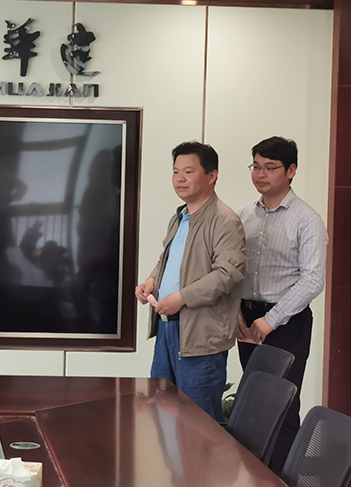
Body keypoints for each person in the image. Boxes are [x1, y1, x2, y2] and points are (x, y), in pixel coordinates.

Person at [135, 142, 246, 421]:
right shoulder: (180, 216)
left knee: (198, 422)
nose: (180, 179)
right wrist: (151, 280)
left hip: (200, 334)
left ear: (212, 176)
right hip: (167, 328)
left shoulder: (225, 220)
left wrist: (182, 297)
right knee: (162, 413)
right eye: (176, 172)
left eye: (188, 172)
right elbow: (167, 259)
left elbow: (228, 274)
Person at [237, 136, 327, 475]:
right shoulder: (244, 214)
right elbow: (232, 269)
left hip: (287, 322)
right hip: (246, 319)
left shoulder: (306, 219)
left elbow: (313, 280)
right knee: (253, 406)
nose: (260, 174)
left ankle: (282, 479)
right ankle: (254, 476)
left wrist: (270, 320)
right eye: (256, 166)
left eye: (270, 167)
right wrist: (236, 313)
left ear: (291, 171)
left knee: (283, 406)